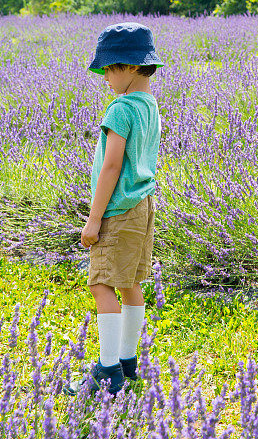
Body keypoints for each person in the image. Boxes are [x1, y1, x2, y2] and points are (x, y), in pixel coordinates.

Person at [65, 22, 164, 396]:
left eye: (110, 67)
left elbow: (111, 166)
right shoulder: (149, 105)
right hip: (142, 205)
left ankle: (107, 375)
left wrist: (93, 219)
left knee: (102, 285)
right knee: (130, 284)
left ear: (134, 67)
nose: (105, 76)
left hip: (118, 210)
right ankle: (127, 364)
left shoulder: (121, 109)